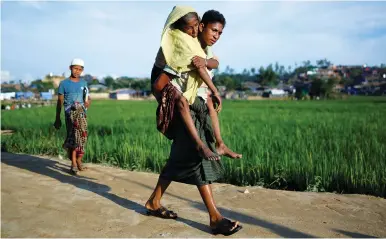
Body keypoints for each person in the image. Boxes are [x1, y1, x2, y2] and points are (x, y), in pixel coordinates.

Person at [146, 6, 242, 236]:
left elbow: (212, 64)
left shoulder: (204, 50)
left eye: (220, 33)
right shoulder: (180, 47)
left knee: (178, 160)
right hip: (181, 108)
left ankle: (154, 202)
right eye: (213, 31)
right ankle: (215, 218)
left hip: (194, 107)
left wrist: (208, 65)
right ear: (200, 27)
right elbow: (160, 84)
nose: (216, 36)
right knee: (198, 157)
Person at [54, 58, 90, 175]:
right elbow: (60, 102)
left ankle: (79, 159)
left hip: (82, 114)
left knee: (83, 137)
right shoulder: (64, 84)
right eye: (75, 68)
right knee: (73, 137)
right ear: (70, 68)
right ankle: (74, 163)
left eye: (80, 69)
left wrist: (88, 102)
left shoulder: (83, 83)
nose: (77, 71)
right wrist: (57, 118)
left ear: (82, 70)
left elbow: (87, 98)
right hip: (70, 114)